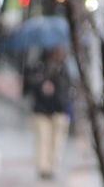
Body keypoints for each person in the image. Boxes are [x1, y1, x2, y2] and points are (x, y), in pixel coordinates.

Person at [24, 46, 71, 179]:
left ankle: (52, 167)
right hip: (42, 110)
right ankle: (43, 167)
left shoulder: (64, 68)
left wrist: (55, 89)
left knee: (57, 142)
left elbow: (67, 88)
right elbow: (28, 84)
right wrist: (42, 85)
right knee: (43, 139)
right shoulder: (39, 66)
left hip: (59, 109)